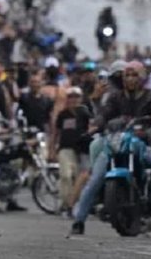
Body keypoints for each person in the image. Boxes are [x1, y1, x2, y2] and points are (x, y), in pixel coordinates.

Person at [71, 61, 151, 235]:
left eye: (134, 75)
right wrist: (96, 125)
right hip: (114, 141)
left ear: (143, 77)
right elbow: (105, 114)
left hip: (141, 141)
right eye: (127, 76)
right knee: (95, 178)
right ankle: (79, 220)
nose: (130, 79)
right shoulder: (115, 97)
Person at [53, 87, 94, 217]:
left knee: (78, 178)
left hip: (80, 150)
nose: (73, 100)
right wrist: (51, 149)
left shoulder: (85, 114)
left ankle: (72, 204)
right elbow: (56, 133)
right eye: (71, 97)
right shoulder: (63, 114)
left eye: (76, 97)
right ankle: (65, 203)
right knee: (65, 175)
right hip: (65, 149)